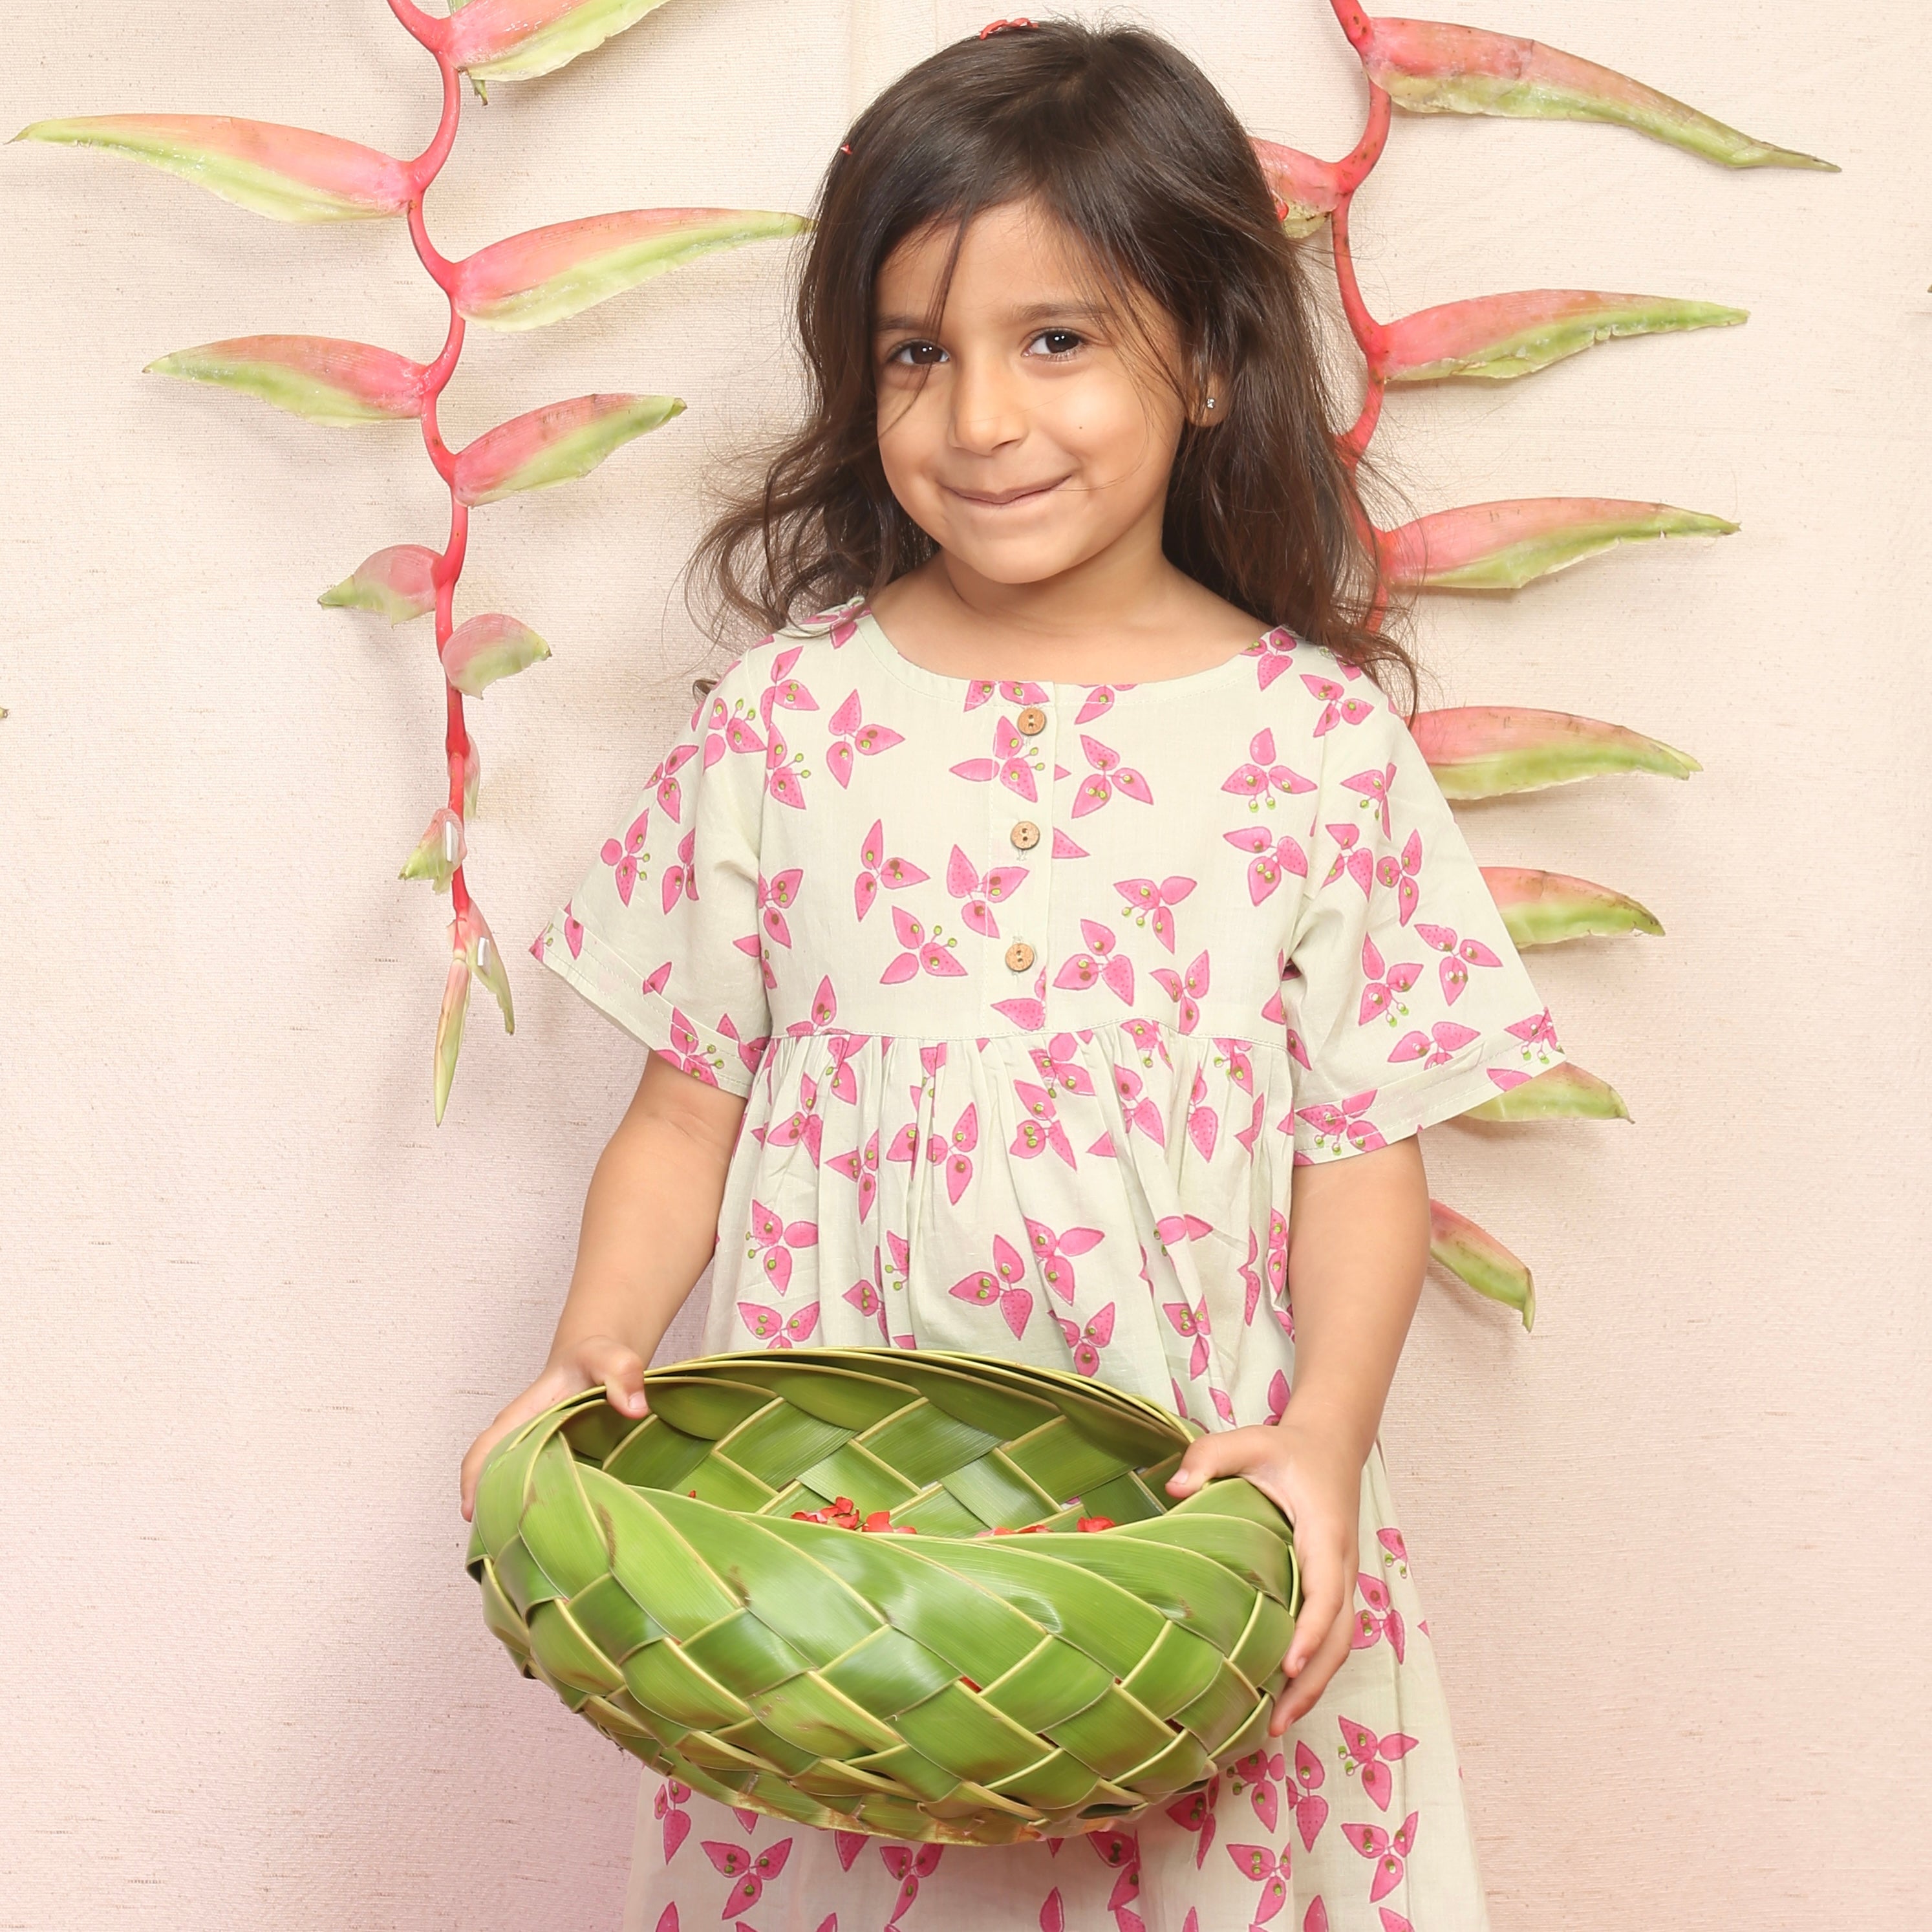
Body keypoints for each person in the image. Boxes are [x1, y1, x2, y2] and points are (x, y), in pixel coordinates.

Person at [462, 19, 1568, 1929]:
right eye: (918, 352)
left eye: (1054, 339)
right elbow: (681, 1106)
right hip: (849, 1560)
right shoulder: (792, 724)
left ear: (1209, 354)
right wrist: (590, 1341)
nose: (978, 417)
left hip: (1178, 1547)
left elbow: (1361, 1151)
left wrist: (1317, 1440)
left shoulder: (1311, 748)